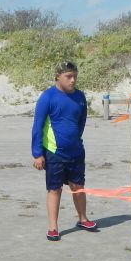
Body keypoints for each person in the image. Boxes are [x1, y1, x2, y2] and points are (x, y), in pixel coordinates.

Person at [31, 61, 97, 241]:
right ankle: (53, 228)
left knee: (78, 186)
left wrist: (75, 140)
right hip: (54, 152)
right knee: (55, 189)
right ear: (58, 77)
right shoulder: (48, 97)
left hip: (76, 150)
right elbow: (37, 127)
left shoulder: (80, 97)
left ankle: (83, 219)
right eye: (69, 76)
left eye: (75, 76)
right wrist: (37, 153)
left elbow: (81, 121)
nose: (73, 80)